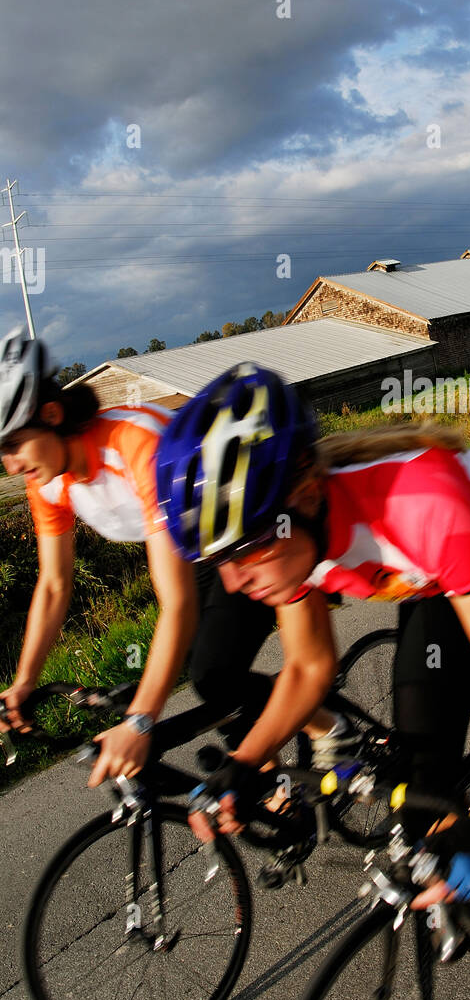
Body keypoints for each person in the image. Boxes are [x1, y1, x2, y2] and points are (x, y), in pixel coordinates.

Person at [158, 360, 470, 904]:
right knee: (421, 797)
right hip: (438, 585)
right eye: (217, 559)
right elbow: (308, 667)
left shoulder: (419, 504)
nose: (234, 580)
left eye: (245, 548)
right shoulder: (297, 545)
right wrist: (244, 765)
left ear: (306, 497)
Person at [0, 328, 341, 783]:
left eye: (13, 444)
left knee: (214, 675)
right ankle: (266, 771)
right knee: (200, 678)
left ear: (51, 413)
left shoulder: (131, 443)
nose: (12, 464)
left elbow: (176, 604)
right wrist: (24, 681)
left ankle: (324, 726)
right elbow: (54, 585)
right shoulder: (47, 480)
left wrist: (142, 721)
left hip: (228, 538)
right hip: (183, 546)